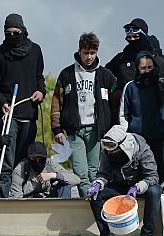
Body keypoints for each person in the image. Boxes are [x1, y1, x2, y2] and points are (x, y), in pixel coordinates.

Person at [0, 13, 46, 198]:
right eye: (8, 33)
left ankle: (21, 197)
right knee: (6, 163)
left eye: (16, 32)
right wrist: (1, 103)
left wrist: (41, 92)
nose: (12, 36)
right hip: (8, 118)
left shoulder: (35, 51)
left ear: (23, 30)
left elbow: (39, 78)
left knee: (24, 163)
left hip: (29, 116)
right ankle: (4, 202)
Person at [51, 32, 118, 196]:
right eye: (86, 52)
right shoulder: (66, 74)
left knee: (94, 172)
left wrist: (113, 128)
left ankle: (94, 204)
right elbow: (56, 103)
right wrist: (57, 129)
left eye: (92, 53)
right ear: (79, 51)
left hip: (97, 130)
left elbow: (116, 104)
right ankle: (88, 202)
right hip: (75, 131)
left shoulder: (106, 76)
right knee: (80, 173)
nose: (89, 57)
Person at [83, 124, 160, 236]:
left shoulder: (141, 148)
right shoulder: (107, 151)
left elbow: (152, 176)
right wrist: (98, 183)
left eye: (113, 149)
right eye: (108, 149)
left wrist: (138, 187)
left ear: (123, 145)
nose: (110, 152)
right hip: (120, 185)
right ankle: (106, 235)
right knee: (96, 196)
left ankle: (146, 235)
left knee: (155, 192)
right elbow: (103, 173)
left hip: (141, 185)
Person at [119, 53, 164, 183]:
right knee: (138, 176)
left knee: (160, 173)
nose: (147, 71)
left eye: (150, 67)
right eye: (143, 68)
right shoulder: (130, 87)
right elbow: (123, 114)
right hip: (137, 140)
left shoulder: (163, 85)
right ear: (137, 68)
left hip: (160, 138)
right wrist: (126, 136)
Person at [106, 18, 164, 119]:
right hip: (125, 112)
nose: (132, 40)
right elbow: (105, 74)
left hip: (151, 112)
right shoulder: (121, 58)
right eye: (129, 38)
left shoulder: (157, 60)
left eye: (136, 37)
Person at [10, 142, 80, 198]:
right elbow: (15, 198)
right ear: (28, 158)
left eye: (41, 159)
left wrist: (54, 175)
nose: (37, 162)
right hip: (28, 203)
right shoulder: (20, 169)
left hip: (48, 199)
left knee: (65, 184)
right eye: (34, 159)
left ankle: (63, 212)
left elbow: (76, 179)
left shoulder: (50, 164)